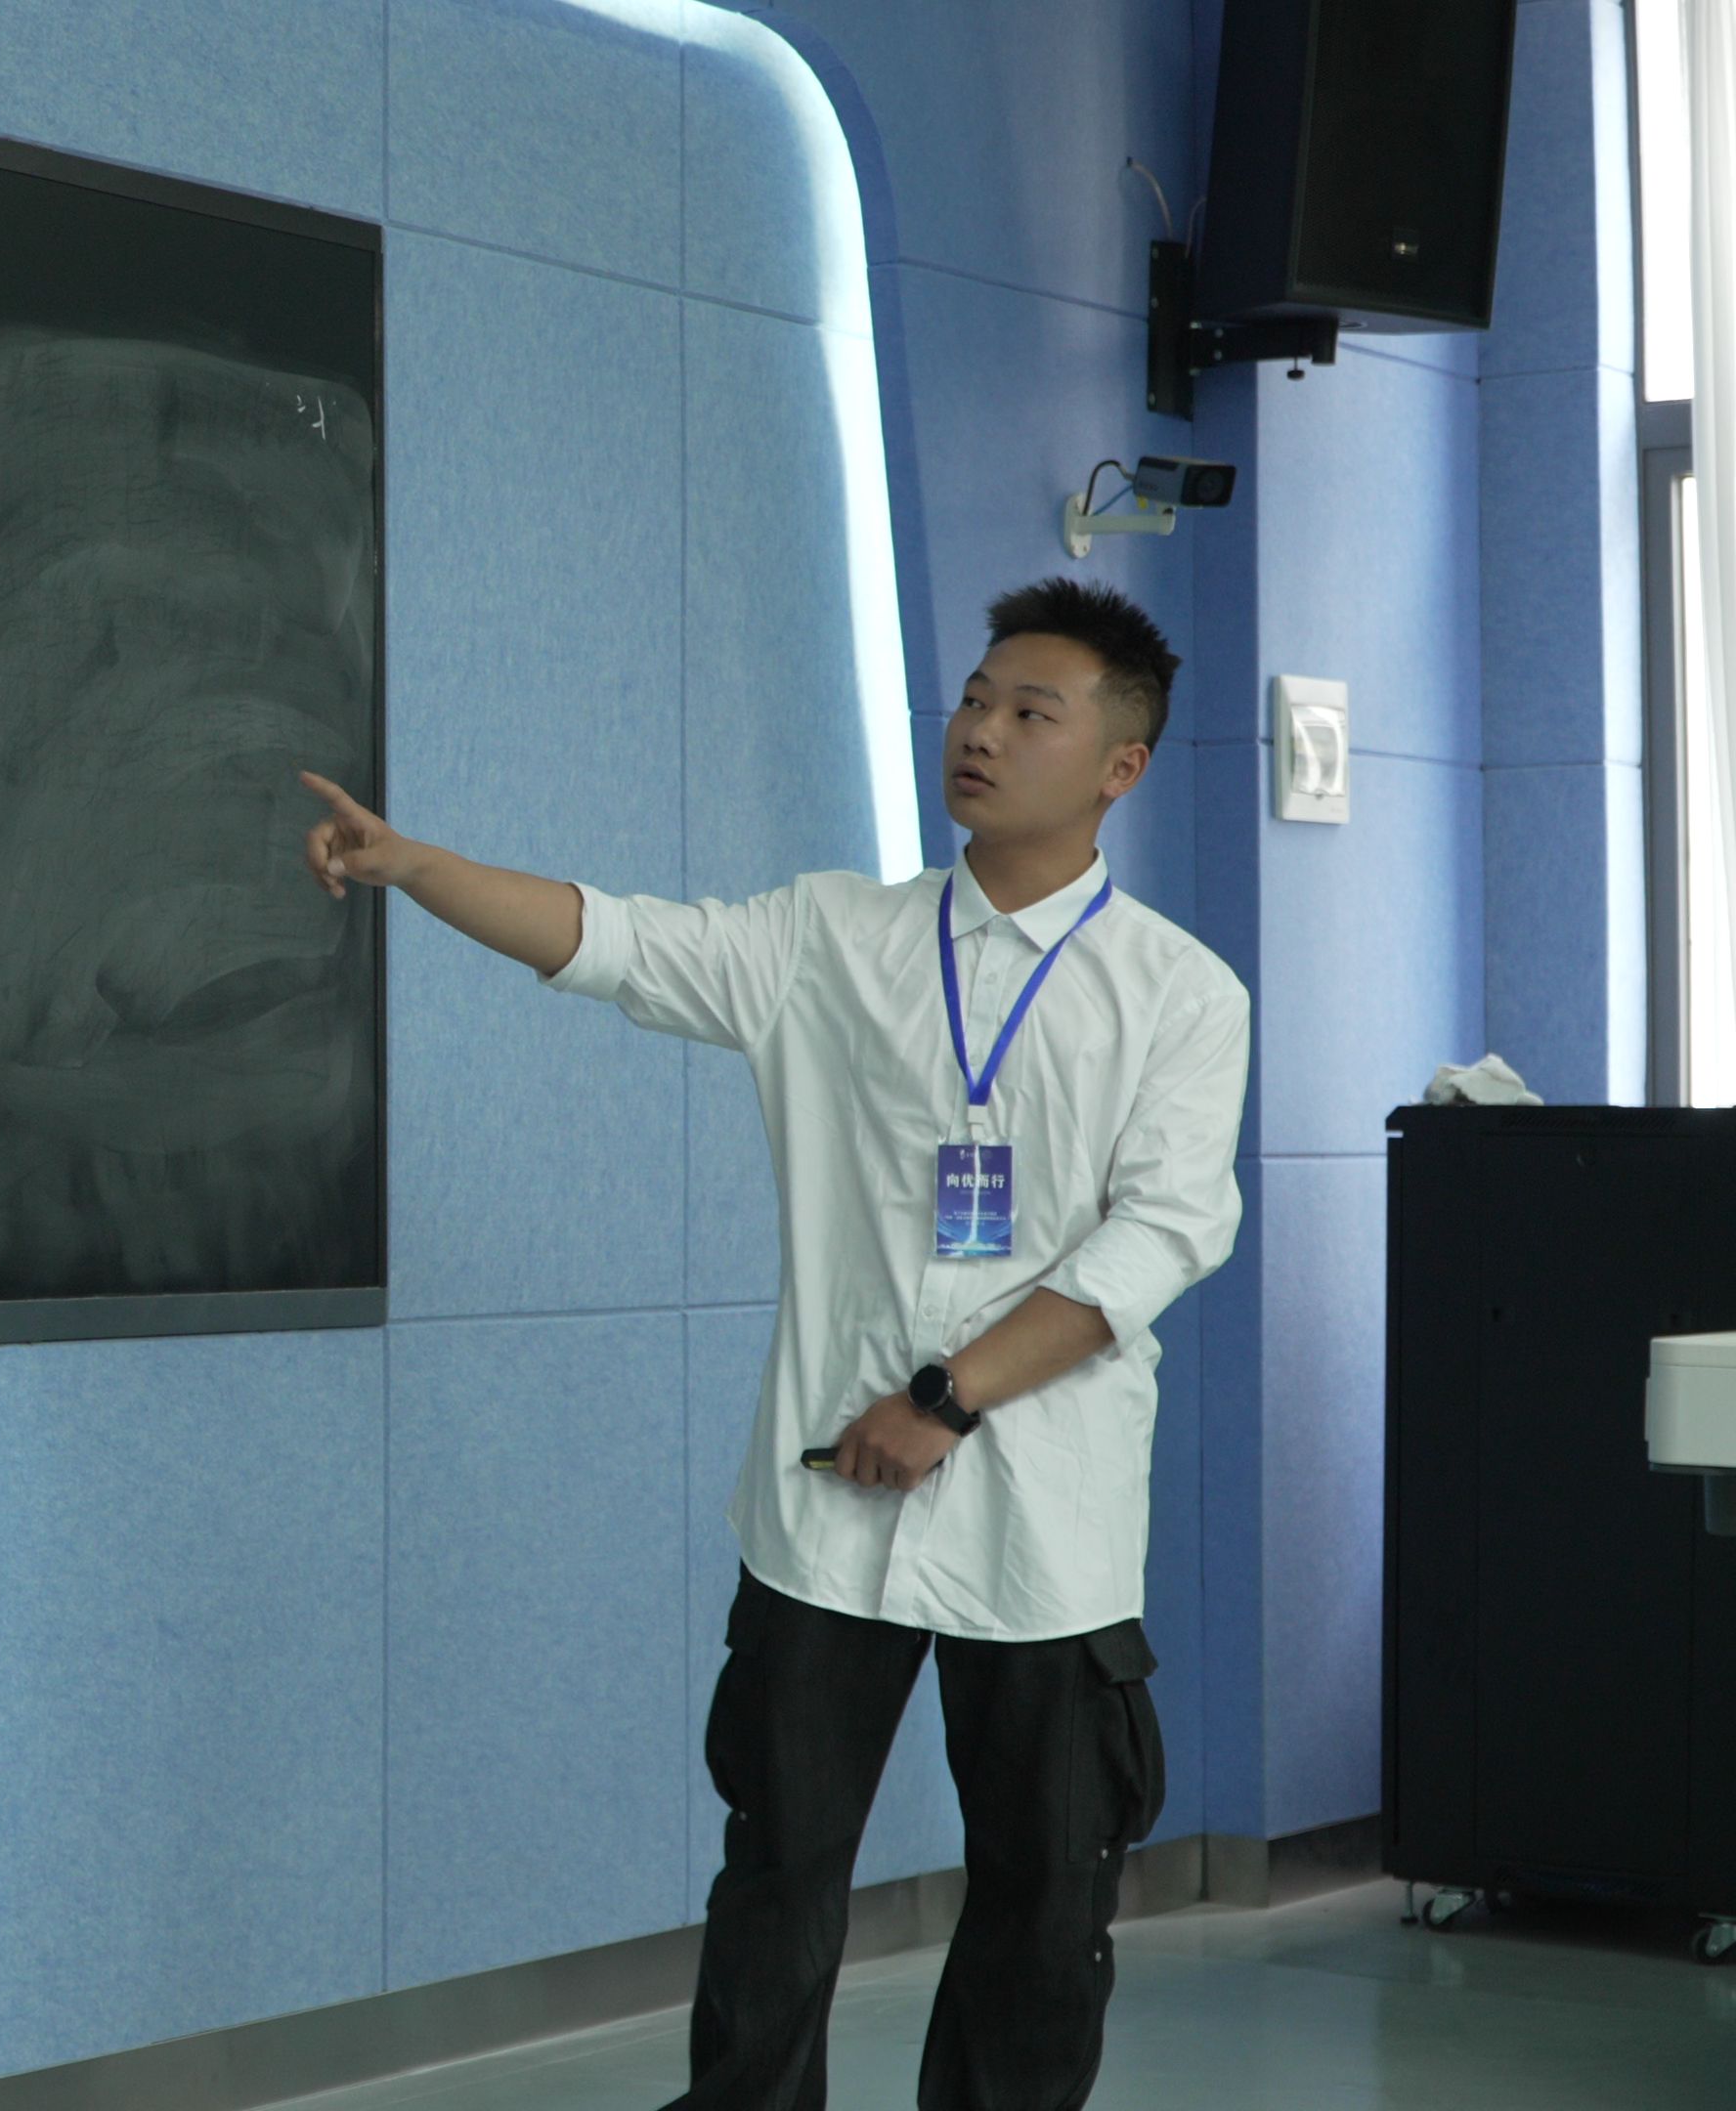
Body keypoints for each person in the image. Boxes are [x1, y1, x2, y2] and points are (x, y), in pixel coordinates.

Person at [301, 579, 1248, 2111]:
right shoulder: (833, 937)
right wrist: (415, 867)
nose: (980, 731)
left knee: (1044, 1901)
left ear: (1119, 767)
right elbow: (614, 939)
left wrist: (948, 1397)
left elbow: (1163, 1237)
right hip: (827, 1516)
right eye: (975, 698)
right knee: (778, 1876)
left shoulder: (1180, 995)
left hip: (1046, 1528)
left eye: (1031, 713)